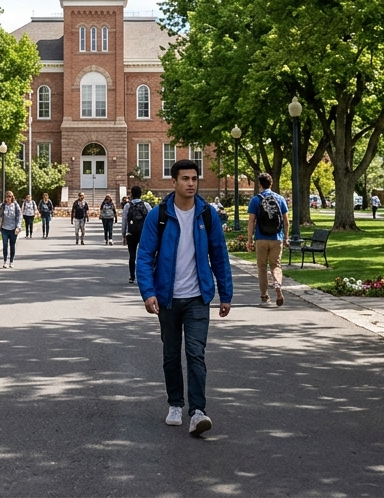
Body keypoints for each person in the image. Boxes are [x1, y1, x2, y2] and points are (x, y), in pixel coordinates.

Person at [136, 159, 233, 438]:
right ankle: (175, 404)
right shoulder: (160, 214)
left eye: (194, 178)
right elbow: (144, 256)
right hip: (167, 298)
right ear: (174, 182)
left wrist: (225, 293)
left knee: (195, 354)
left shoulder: (207, 214)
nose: (191, 183)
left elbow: (219, 254)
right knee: (170, 355)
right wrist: (148, 292)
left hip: (197, 298)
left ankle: (198, 412)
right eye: (185, 179)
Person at [247, 173, 289, 308]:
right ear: (271, 183)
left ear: (260, 184)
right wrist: (286, 237)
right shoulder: (280, 199)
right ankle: (277, 283)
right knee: (276, 265)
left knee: (262, 267)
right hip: (277, 237)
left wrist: (249, 240)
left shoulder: (255, 200)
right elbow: (286, 221)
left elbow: (251, 221)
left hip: (261, 238)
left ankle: (264, 296)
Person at [123, 186, 149, 284]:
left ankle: (132, 276)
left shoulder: (127, 206)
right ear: (141, 194)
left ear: (131, 194)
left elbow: (124, 221)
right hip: (143, 233)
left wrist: (123, 234)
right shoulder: (145, 205)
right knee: (144, 255)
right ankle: (144, 276)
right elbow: (151, 219)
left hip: (131, 233)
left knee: (132, 255)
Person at [0, 191, 21, 268]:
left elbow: (19, 216)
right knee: (4, 244)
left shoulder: (16, 205)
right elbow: (0, 216)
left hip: (13, 229)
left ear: (12, 197)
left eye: (10, 197)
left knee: (12, 245)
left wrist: (18, 227)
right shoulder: (3, 206)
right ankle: (5, 261)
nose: (8, 198)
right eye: (7, 197)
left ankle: (11, 261)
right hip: (4, 228)